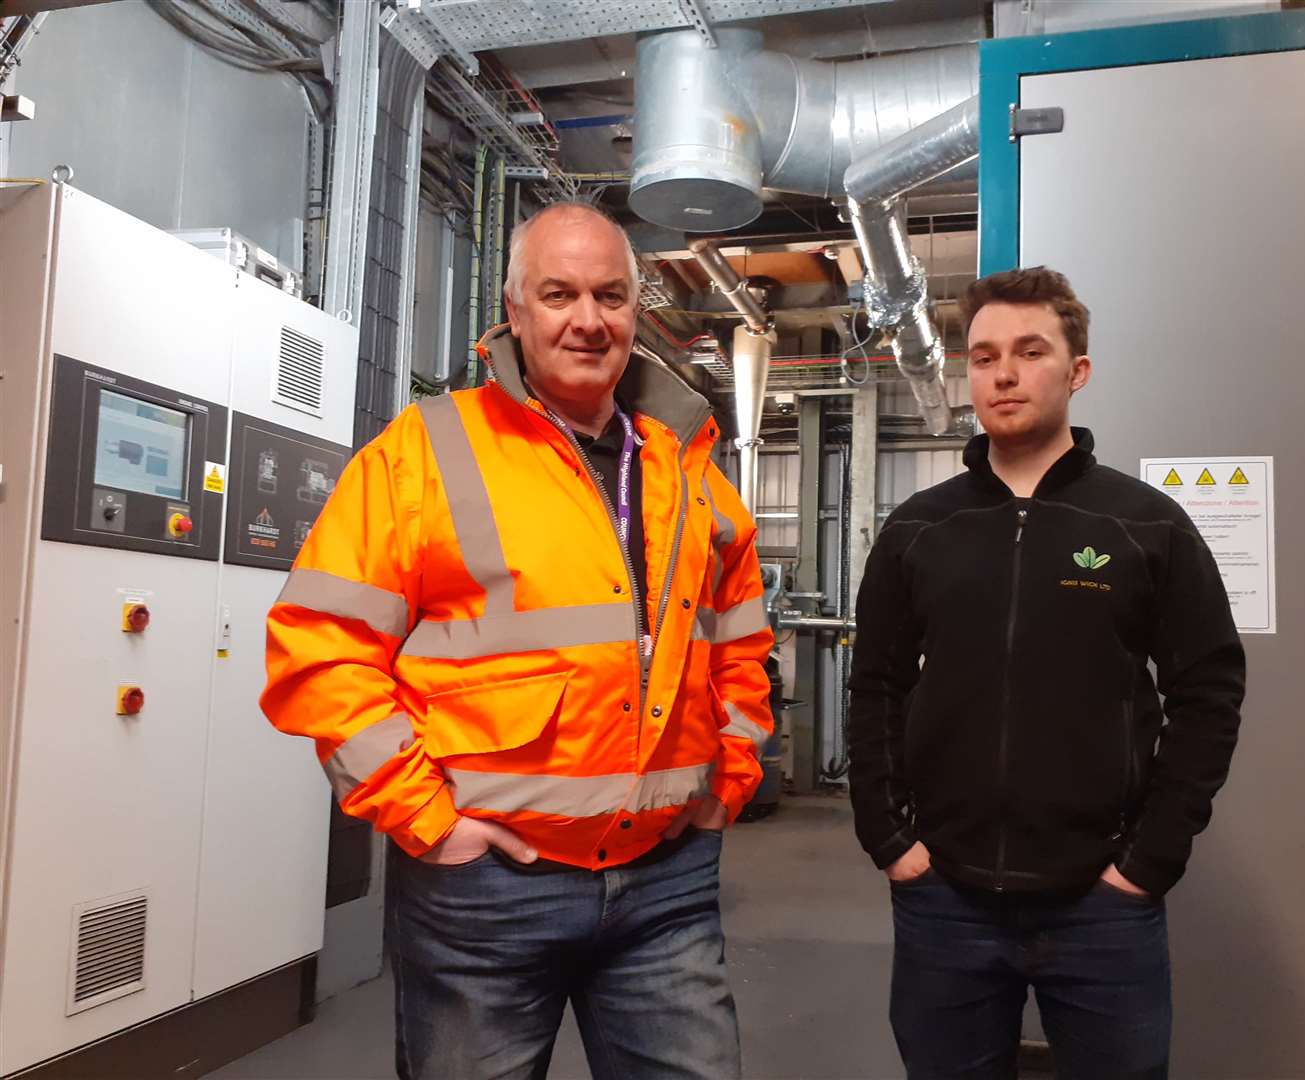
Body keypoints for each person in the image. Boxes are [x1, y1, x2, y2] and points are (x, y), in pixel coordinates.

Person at [261, 202, 774, 1080]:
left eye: (610, 294)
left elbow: (740, 638)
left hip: (666, 880)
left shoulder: (686, 464)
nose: (588, 318)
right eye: (559, 292)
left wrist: (730, 772)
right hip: (489, 889)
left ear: (635, 309)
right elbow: (321, 645)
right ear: (516, 310)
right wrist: (429, 819)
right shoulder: (425, 452)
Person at [847, 266, 1245, 1079]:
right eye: (985, 354)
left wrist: (1149, 860)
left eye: (1030, 351)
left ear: (1077, 371)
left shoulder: (1144, 526)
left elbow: (1208, 690)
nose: (1004, 372)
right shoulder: (921, 529)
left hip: (1102, 906)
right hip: (944, 899)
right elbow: (877, 685)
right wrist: (890, 838)